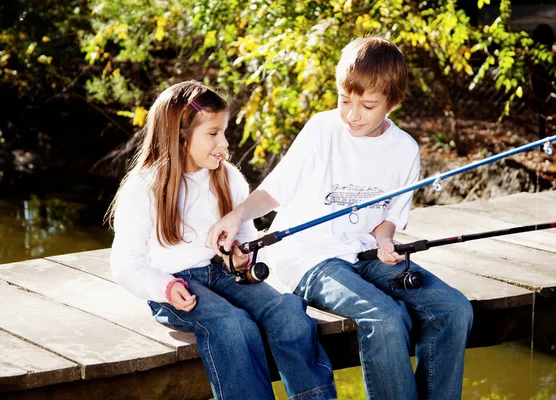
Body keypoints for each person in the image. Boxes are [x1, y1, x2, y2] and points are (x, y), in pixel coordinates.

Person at [206, 37, 473, 400]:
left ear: (392, 103)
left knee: (455, 310)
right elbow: (273, 193)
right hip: (309, 258)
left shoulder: (405, 149)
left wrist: (384, 241)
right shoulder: (321, 130)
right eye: (345, 100)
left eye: (367, 105)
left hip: (365, 254)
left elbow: (385, 218)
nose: (352, 114)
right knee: (386, 318)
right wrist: (237, 216)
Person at [107, 81, 337, 400]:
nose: (224, 143)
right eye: (213, 134)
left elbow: (246, 237)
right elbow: (125, 265)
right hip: (176, 286)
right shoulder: (143, 188)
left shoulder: (228, 178)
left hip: (226, 277)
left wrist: (243, 259)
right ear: (180, 134)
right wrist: (166, 289)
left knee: (289, 312)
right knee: (233, 325)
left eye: (224, 132)